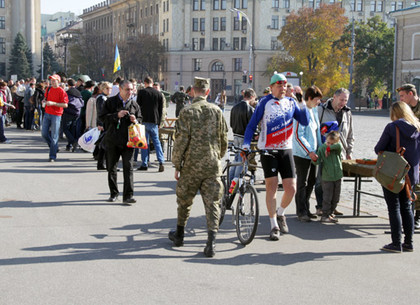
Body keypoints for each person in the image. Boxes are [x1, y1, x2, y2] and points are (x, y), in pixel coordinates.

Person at [242, 72, 310, 240]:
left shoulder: (291, 102)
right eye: (279, 86)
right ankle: (273, 225)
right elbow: (251, 126)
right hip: (268, 150)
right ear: (271, 87)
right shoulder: (264, 103)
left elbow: (305, 121)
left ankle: (280, 213)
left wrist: (301, 101)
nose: (282, 89)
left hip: (286, 149)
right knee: (271, 187)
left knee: (291, 188)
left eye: (285, 86)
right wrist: (245, 145)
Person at [168, 77, 228, 257]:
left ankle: (179, 235)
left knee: (184, 201)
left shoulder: (186, 111)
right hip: (212, 164)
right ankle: (211, 243)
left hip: (191, 166)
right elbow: (224, 138)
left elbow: (180, 141)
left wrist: (177, 165)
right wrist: (218, 156)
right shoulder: (217, 111)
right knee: (213, 204)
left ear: (193, 91)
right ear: (208, 93)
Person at [374, 102, 420, 252]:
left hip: (393, 173)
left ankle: (396, 243)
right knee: (407, 207)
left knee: (393, 207)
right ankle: (409, 242)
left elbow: (379, 148)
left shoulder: (392, 127)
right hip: (411, 173)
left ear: (394, 113)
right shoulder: (418, 128)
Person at [99, 80, 142, 205]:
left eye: (132, 90)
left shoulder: (134, 104)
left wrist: (135, 120)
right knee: (111, 167)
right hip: (113, 140)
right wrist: (116, 115)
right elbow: (102, 117)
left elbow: (140, 118)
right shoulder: (110, 102)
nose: (130, 92)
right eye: (127, 90)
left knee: (128, 168)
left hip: (129, 141)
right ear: (121, 89)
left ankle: (128, 195)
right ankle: (114, 193)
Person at [316, 88, 354, 216]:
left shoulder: (347, 112)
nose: (343, 102)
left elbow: (350, 133)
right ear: (334, 97)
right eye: (341, 99)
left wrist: (349, 150)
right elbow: (315, 130)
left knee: (336, 181)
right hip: (325, 152)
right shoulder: (322, 110)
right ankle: (321, 206)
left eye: (345, 100)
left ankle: (332, 207)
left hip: (340, 153)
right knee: (322, 181)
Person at [292, 85, 323, 222]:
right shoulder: (302, 111)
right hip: (302, 154)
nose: (319, 102)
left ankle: (306, 207)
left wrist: (319, 149)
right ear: (309, 98)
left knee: (311, 181)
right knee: (302, 183)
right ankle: (301, 211)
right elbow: (298, 135)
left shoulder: (314, 111)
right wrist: (309, 151)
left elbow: (317, 133)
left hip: (313, 154)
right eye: (317, 99)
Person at [397, 84, 420, 229]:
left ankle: (417, 217)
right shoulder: (405, 110)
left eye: (402, 96)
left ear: (410, 94)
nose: (401, 99)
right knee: (409, 183)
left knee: (418, 185)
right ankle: (408, 215)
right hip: (409, 151)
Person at [313, 131, 343, 223]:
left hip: (337, 175)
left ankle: (330, 213)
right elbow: (317, 162)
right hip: (327, 177)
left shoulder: (336, 147)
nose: (329, 145)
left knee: (336, 197)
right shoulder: (322, 148)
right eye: (328, 142)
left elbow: (339, 147)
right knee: (327, 197)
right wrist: (314, 159)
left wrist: (329, 148)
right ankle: (325, 215)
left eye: (332, 143)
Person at [136, 76, 165, 172]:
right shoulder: (159, 94)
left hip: (143, 120)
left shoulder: (141, 93)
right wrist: (159, 122)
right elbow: (160, 109)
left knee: (145, 143)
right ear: (152, 83)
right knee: (157, 142)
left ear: (145, 83)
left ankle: (144, 163)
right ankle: (161, 161)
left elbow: (137, 107)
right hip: (154, 121)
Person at [41, 74, 69, 162]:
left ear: (58, 81)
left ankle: (52, 156)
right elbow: (45, 98)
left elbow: (65, 105)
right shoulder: (48, 89)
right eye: (51, 80)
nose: (52, 82)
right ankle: (54, 147)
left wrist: (53, 103)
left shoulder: (62, 91)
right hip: (47, 113)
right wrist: (44, 101)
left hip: (56, 115)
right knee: (44, 133)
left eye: (54, 80)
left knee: (54, 136)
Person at [229, 88, 256, 180]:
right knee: (242, 162)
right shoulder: (250, 109)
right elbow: (252, 126)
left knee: (236, 160)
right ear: (251, 97)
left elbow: (231, 124)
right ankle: (235, 182)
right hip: (245, 138)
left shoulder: (234, 107)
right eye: (254, 99)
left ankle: (230, 181)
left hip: (235, 136)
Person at [62, 79, 84, 152]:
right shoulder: (78, 92)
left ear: (68, 84)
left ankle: (73, 141)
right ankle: (69, 145)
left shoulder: (68, 92)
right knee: (72, 129)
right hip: (77, 112)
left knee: (65, 128)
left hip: (68, 112)